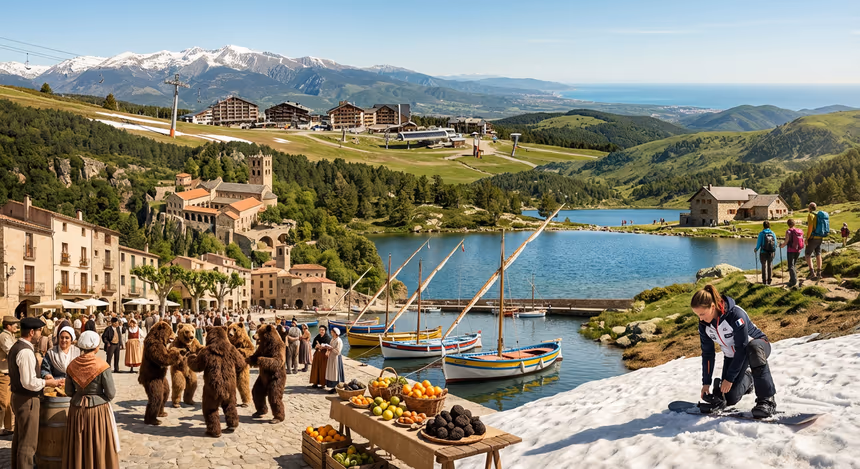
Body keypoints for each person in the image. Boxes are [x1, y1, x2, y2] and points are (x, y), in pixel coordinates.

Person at [691, 284, 777, 418]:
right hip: (732, 356)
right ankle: (748, 379)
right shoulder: (704, 325)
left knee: (752, 348)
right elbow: (708, 353)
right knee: (729, 398)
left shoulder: (735, 315)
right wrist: (706, 382)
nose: (700, 318)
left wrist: (730, 378)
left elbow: (742, 348)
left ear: (712, 307)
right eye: (697, 315)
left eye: (702, 314)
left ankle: (767, 400)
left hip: (757, 347)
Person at [10, 317, 63, 468]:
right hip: (27, 400)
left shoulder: (17, 346)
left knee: (20, 439)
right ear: (32, 332)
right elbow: (29, 383)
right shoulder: (25, 352)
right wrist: (48, 382)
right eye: (39, 331)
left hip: (19, 397)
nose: (40, 334)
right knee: (28, 444)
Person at [62, 330, 120, 468]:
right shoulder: (102, 365)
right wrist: (100, 398)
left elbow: (69, 391)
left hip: (77, 410)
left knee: (79, 442)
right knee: (98, 442)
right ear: (96, 347)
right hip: (97, 411)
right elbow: (111, 393)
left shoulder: (72, 365)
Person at [0, 316, 20, 437]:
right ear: (8, 326)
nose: (16, 327)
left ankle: (8, 426)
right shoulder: (3, 336)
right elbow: (12, 351)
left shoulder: (10, 336)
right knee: (4, 402)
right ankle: (4, 427)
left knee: (9, 402)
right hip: (3, 373)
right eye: (14, 324)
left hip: (9, 373)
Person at [779, 219, 804, 289]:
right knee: (794, 265)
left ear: (788, 224)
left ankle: (794, 281)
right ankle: (792, 279)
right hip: (798, 250)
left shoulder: (789, 231)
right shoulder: (799, 231)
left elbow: (786, 241)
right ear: (794, 224)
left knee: (791, 265)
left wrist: (782, 246)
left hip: (791, 250)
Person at [806, 202, 826, 279]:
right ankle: (819, 272)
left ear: (809, 208)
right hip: (820, 237)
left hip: (813, 237)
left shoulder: (811, 215)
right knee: (818, 253)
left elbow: (810, 228)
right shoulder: (819, 215)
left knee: (807, 254)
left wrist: (807, 238)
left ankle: (812, 273)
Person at [324, 327, 345, 394]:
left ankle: (337, 387)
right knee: (332, 372)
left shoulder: (339, 341)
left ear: (335, 333)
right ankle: (333, 386)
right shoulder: (333, 339)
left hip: (336, 358)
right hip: (331, 357)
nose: (331, 332)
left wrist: (331, 348)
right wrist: (328, 349)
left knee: (336, 372)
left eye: (332, 332)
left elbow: (338, 351)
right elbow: (331, 347)